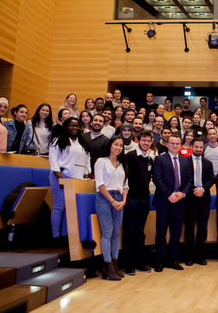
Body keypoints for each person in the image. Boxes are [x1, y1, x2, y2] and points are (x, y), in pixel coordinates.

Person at [152, 134, 193, 272]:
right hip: (164, 201)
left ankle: (173, 260)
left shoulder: (185, 161)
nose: (175, 146)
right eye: (172, 143)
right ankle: (159, 260)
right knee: (161, 232)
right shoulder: (159, 159)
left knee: (176, 232)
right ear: (167, 144)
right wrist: (169, 194)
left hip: (179, 202)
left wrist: (183, 193)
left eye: (177, 143)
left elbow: (189, 180)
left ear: (180, 145)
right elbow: (157, 178)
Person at [48, 118, 90, 246]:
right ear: (65, 126)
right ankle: (56, 236)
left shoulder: (81, 142)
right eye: (71, 125)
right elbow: (53, 160)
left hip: (77, 179)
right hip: (61, 176)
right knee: (59, 207)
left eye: (77, 126)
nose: (74, 128)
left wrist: (86, 176)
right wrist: (60, 178)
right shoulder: (58, 140)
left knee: (70, 209)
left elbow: (87, 160)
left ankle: (66, 235)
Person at [95, 136, 128, 281]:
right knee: (107, 232)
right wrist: (112, 200)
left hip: (120, 199)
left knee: (116, 233)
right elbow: (100, 184)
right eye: (116, 144)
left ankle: (115, 265)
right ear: (110, 145)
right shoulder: (101, 161)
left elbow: (126, 185)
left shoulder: (122, 164)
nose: (118, 147)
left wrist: (123, 201)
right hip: (105, 198)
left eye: (121, 145)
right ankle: (107, 265)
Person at [123, 130, 155, 275]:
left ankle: (138, 261)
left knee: (139, 232)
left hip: (145, 199)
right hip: (131, 198)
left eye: (149, 141)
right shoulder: (130, 156)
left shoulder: (150, 159)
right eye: (144, 140)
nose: (146, 143)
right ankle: (128, 263)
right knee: (129, 232)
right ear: (138, 140)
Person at [184, 140, 215, 266]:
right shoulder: (185, 162)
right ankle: (190, 256)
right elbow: (184, 180)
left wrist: (203, 189)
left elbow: (211, 179)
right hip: (190, 199)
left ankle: (200, 255)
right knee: (189, 228)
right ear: (191, 147)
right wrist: (194, 190)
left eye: (201, 147)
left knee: (203, 228)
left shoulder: (208, 163)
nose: (198, 149)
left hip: (204, 199)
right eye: (196, 147)